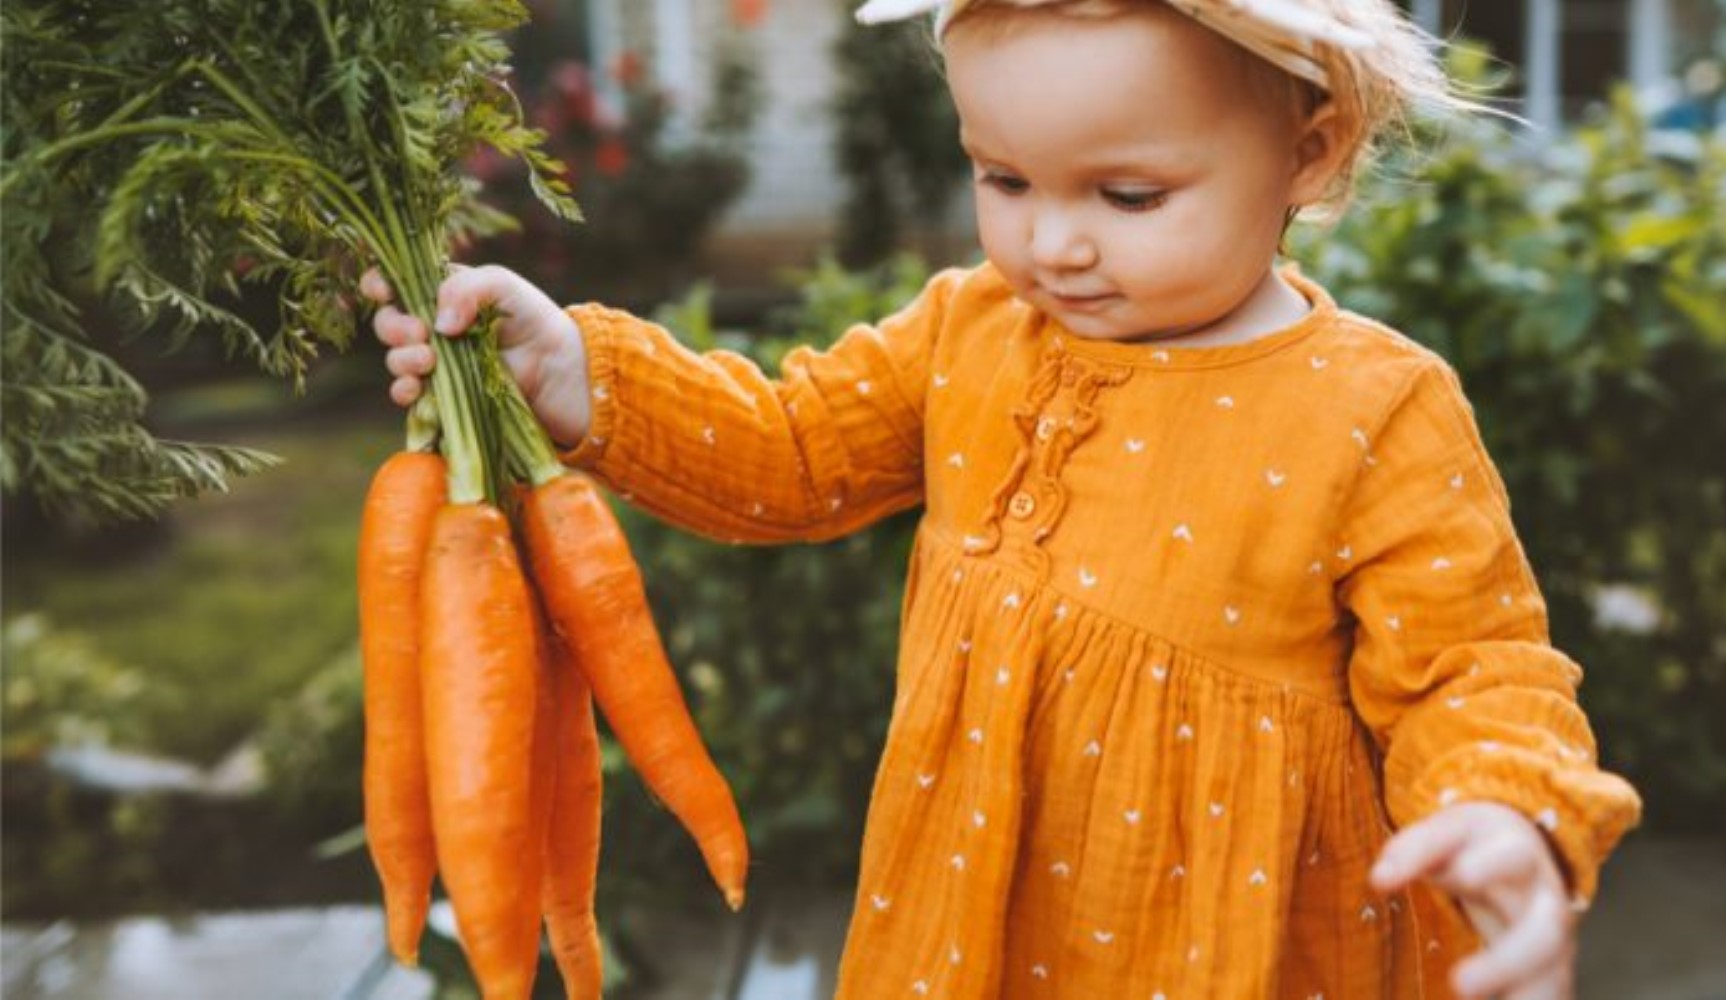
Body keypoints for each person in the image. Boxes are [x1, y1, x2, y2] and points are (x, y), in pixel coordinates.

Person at [367, 1, 1642, 996]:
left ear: (1307, 151)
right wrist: (576, 372)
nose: (1053, 244)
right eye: (1005, 179)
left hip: (1233, 950)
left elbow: (1470, 666)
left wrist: (1502, 812)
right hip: (967, 917)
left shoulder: (1372, 407)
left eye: (1127, 195)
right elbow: (792, 452)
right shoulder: (973, 330)